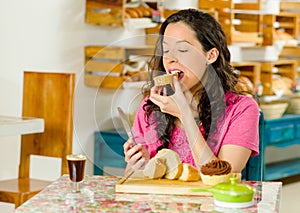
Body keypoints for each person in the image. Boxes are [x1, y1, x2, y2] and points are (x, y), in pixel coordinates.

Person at [123, 8, 260, 174]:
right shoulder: (152, 105)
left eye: (182, 50)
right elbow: (131, 178)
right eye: (165, 50)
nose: (170, 58)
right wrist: (139, 166)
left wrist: (185, 115)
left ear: (210, 56)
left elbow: (223, 179)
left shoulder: (241, 109)